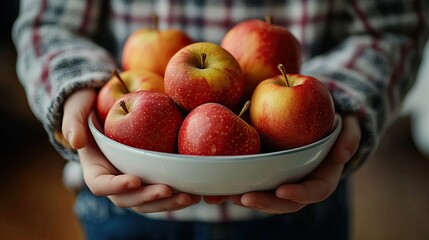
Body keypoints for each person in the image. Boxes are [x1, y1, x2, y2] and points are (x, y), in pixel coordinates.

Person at [12, 0, 428, 239]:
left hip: (300, 202)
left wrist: (343, 103)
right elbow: (47, 23)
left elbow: (392, 27)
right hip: (127, 204)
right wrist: (75, 89)